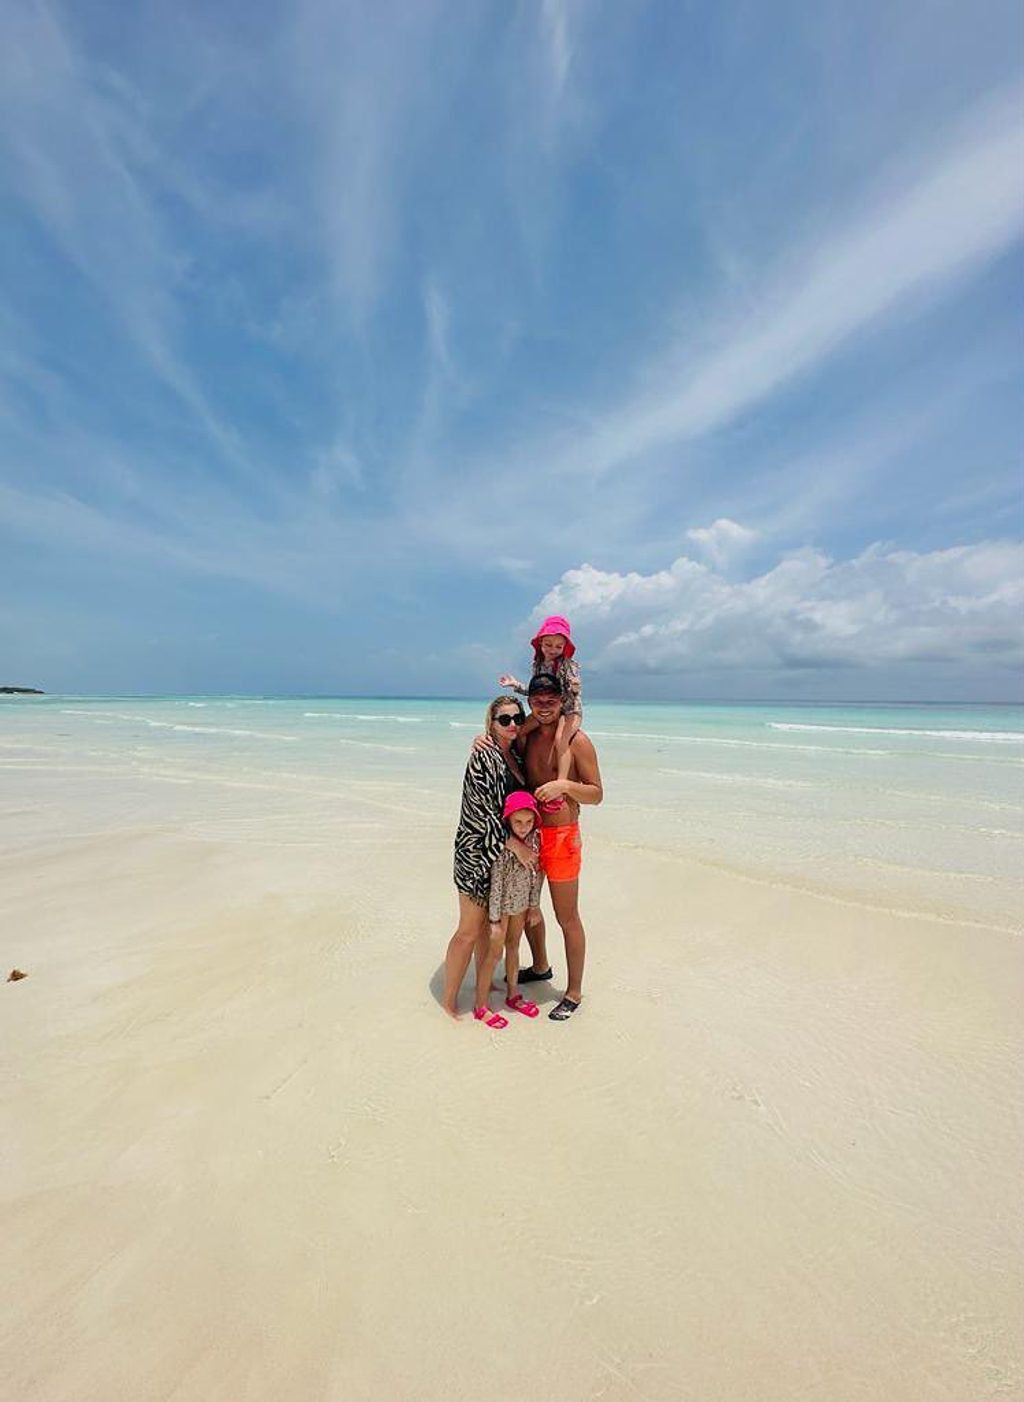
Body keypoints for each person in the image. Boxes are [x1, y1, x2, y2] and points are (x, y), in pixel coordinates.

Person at [442, 695, 543, 1023]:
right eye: (504, 719)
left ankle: (483, 986)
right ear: (491, 723)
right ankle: (449, 1000)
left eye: (517, 718)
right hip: (477, 854)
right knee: (469, 930)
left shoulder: (515, 753)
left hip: (502, 857)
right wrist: (518, 847)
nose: (512, 724)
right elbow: (480, 814)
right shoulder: (483, 756)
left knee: (489, 928)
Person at [520, 671, 603, 1021]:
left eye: (551, 701)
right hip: (528, 836)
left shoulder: (577, 741)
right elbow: (500, 742)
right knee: (525, 909)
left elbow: (596, 794)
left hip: (562, 836)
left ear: (561, 701)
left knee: (566, 916)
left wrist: (564, 786)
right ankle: (540, 966)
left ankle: (573, 992)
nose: (544, 707)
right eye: (537, 701)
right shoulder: (526, 736)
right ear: (530, 702)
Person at [499, 614, 582, 804]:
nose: (553, 650)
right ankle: (522, 768)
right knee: (520, 731)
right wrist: (515, 685)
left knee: (561, 739)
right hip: (545, 710)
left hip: (569, 709)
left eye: (558, 646)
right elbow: (535, 692)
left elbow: (573, 689)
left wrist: (575, 687)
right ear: (540, 643)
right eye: (548, 644)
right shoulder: (537, 665)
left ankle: (561, 785)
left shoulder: (568, 665)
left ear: (565, 647)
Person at [485, 791, 545, 1019]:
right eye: (518, 821)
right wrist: (493, 920)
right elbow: (496, 884)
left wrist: (534, 906)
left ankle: (513, 993)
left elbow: (536, 876)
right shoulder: (504, 847)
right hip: (501, 910)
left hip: (521, 906)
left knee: (514, 947)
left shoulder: (535, 840)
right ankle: (481, 1003)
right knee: (494, 953)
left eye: (529, 821)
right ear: (508, 820)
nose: (523, 827)